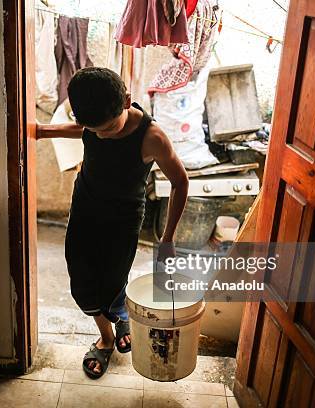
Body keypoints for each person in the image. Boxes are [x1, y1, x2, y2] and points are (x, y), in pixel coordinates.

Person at [36, 67, 188, 379]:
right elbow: (81, 129)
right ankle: (109, 330)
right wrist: (41, 130)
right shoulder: (93, 122)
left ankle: (115, 326)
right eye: (95, 130)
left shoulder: (152, 137)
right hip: (86, 209)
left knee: (113, 280)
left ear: (127, 102)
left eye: (108, 128)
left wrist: (168, 238)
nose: (101, 135)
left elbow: (180, 182)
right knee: (82, 282)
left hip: (123, 219)